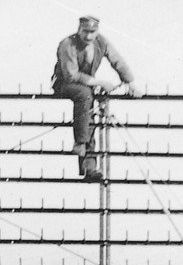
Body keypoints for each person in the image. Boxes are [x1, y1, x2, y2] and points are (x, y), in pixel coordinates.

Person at [52, 16, 143, 181]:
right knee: (84, 96)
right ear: (79, 29)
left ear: (97, 31)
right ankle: (80, 143)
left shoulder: (101, 42)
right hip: (65, 84)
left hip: (86, 86)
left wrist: (130, 83)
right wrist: (99, 82)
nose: (88, 36)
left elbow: (117, 61)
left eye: (92, 32)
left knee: (89, 117)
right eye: (85, 31)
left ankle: (90, 167)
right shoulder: (68, 44)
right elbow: (71, 75)